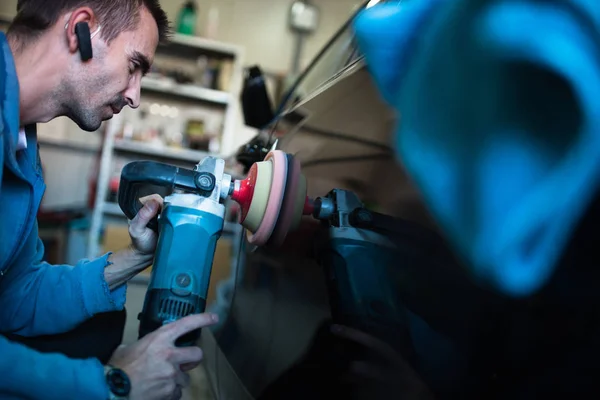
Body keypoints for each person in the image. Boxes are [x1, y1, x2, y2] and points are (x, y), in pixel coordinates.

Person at [0, 1, 217, 399]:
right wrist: (113, 383)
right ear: (81, 29)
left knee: (99, 330)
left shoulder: (20, 140)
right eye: (134, 66)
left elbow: (16, 297)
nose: (135, 96)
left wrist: (133, 257)